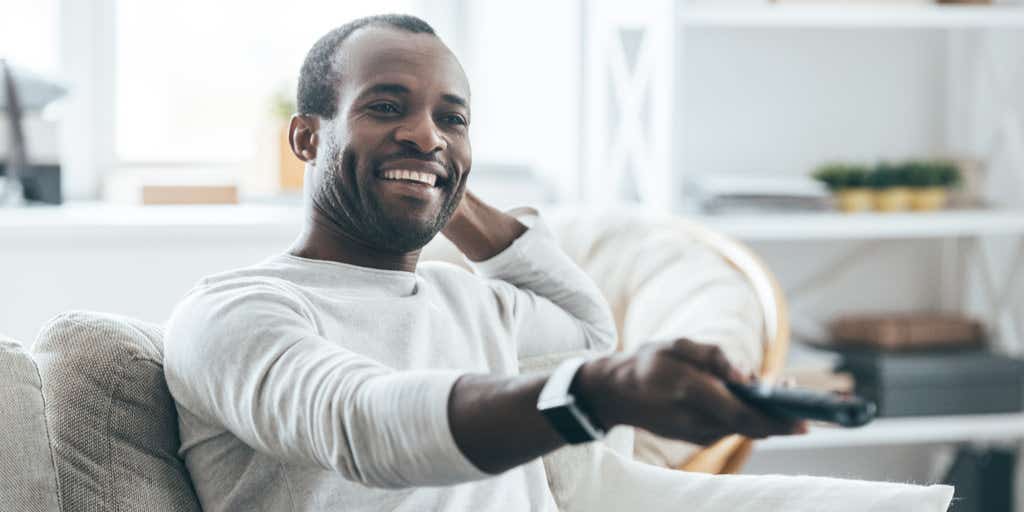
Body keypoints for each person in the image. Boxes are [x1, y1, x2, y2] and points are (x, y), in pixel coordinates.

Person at [163, 14, 802, 511]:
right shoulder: (233, 310)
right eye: (386, 106)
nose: (428, 130)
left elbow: (585, 330)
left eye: (453, 118)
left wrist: (431, 172)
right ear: (307, 137)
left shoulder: (465, 297)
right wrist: (598, 393)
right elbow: (364, 426)